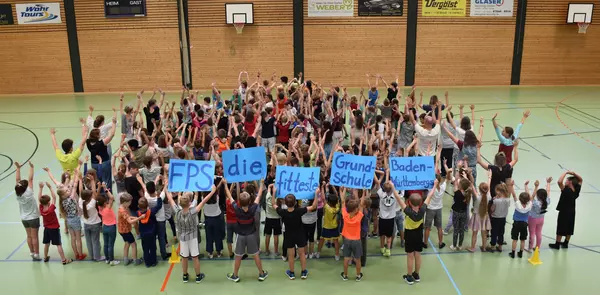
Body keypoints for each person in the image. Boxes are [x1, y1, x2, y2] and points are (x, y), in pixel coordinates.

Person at [166, 185, 217, 283]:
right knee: (195, 257)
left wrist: (166, 187)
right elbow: (204, 201)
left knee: (184, 258)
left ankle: (185, 276)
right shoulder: (193, 211)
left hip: (183, 238)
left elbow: (170, 198)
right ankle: (198, 276)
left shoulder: (177, 212)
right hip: (193, 238)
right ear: (190, 203)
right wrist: (212, 191)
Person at [224, 179, 268, 282]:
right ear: (249, 201)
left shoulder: (237, 209)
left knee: (238, 256)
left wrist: (226, 185)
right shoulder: (253, 209)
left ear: (239, 201)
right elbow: (259, 195)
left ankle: (235, 275)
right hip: (251, 235)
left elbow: (229, 196)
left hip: (241, 236)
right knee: (256, 255)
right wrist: (261, 184)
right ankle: (261, 274)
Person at [391, 181, 434, 285]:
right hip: (419, 234)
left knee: (410, 256)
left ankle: (409, 276)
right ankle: (417, 274)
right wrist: (435, 185)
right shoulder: (423, 209)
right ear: (420, 203)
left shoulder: (407, 210)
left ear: (409, 202)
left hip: (409, 234)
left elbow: (397, 197)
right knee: (418, 254)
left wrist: (393, 187)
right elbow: (430, 195)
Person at [272, 185, 318, 280]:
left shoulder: (282, 212)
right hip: (300, 234)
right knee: (302, 254)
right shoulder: (299, 211)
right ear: (295, 202)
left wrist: (274, 193)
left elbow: (273, 204)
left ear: (285, 202)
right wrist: (316, 194)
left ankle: (292, 273)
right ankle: (303, 272)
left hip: (289, 236)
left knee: (291, 255)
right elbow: (314, 206)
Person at [38, 182, 72, 264]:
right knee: (58, 244)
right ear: (49, 202)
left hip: (47, 229)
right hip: (54, 229)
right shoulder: (51, 209)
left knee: (46, 243)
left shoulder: (41, 209)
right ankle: (64, 260)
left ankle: (45, 257)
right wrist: (50, 187)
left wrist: (40, 188)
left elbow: (39, 199)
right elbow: (54, 197)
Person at [14, 162, 41, 261]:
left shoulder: (18, 194)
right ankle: (37, 255)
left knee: (29, 236)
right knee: (35, 237)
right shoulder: (29, 193)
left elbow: (17, 180)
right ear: (26, 188)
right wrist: (32, 167)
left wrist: (18, 168)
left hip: (24, 218)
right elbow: (30, 179)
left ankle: (32, 252)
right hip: (33, 217)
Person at [549, 171, 582, 250]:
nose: (565, 181)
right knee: (570, 227)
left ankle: (557, 244)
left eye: (566, 180)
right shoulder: (576, 190)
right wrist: (574, 174)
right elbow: (580, 180)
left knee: (561, 227)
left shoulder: (566, 190)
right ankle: (565, 243)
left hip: (564, 211)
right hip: (572, 212)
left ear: (570, 182)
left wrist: (566, 172)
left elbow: (559, 181)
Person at [339, 187, 365, 282]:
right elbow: (362, 204)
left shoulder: (345, 215)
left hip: (347, 240)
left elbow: (342, 202)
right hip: (356, 241)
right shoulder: (358, 217)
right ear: (355, 210)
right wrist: (364, 192)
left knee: (346, 258)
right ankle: (358, 275)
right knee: (357, 259)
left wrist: (344, 189)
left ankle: (345, 275)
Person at [137, 194, 163, 267]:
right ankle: (153, 261)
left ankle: (147, 263)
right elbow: (159, 206)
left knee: (145, 248)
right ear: (147, 205)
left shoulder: (138, 213)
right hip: (152, 234)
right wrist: (158, 197)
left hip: (143, 234)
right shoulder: (151, 212)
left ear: (139, 206)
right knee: (152, 248)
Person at [467, 173, 491, 253]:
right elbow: (489, 184)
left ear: (480, 190)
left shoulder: (477, 197)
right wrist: (489, 176)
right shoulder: (489, 196)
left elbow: (472, 185)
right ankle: (484, 247)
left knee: (475, 233)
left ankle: (472, 248)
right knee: (484, 233)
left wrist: (469, 177)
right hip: (485, 216)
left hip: (476, 216)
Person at [117, 193, 143, 265]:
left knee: (127, 243)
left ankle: (125, 260)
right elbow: (130, 221)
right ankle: (135, 260)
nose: (130, 204)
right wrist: (139, 218)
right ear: (125, 202)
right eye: (129, 202)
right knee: (134, 244)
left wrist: (137, 218)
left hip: (121, 230)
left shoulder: (122, 208)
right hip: (126, 231)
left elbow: (128, 217)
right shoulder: (123, 211)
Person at [527, 177, 551, 252]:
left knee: (532, 233)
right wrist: (548, 183)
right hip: (541, 219)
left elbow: (531, 196)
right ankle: (538, 248)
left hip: (532, 219)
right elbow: (548, 191)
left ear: (538, 195)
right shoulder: (547, 201)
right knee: (539, 232)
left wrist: (536, 187)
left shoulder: (536, 203)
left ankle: (530, 248)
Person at [450, 175, 473, 251]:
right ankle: (460, 245)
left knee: (456, 229)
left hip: (456, 213)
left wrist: (457, 178)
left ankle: (454, 245)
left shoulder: (457, 193)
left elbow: (455, 184)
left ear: (461, 186)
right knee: (461, 230)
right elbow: (468, 183)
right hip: (464, 213)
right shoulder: (468, 194)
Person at [509, 181, 533, 259]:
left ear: (520, 198)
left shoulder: (518, 204)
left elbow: (513, 195)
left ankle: (513, 253)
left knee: (515, 239)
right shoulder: (529, 205)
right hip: (524, 224)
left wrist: (512, 186)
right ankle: (521, 253)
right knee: (523, 239)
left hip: (516, 223)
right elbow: (530, 195)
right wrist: (526, 186)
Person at [98, 186, 119, 265]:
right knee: (111, 245)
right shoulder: (108, 208)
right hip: (111, 227)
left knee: (106, 244)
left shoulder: (100, 208)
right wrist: (105, 189)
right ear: (104, 203)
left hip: (105, 227)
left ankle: (107, 259)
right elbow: (112, 197)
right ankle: (112, 260)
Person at [489, 183, 511, 252]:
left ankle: (493, 246)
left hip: (495, 218)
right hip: (503, 218)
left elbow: (492, 209)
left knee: (494, 232)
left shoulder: (495, 201)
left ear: (498, 191)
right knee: (501, 232)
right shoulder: (508, 200)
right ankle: (500, 246)